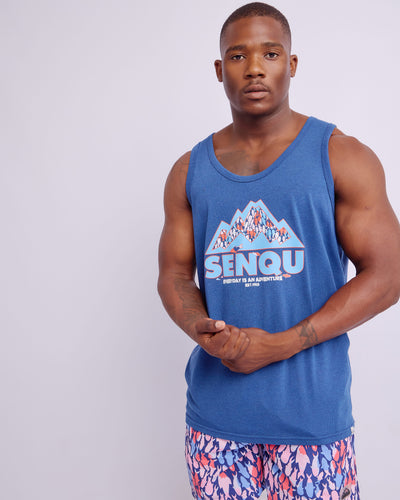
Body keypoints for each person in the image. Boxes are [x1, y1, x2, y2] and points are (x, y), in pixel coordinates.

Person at [157, 3, 400, 499]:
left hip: (312, 426)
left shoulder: (340, 155)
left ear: (291, 64)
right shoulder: (189, 170)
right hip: (215, 428)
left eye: (270, 54)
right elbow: (175, 274)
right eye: (238, 55)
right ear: (219, 69)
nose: (254, 68)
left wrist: (282, 344)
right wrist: (199, 327)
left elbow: (389, 274)